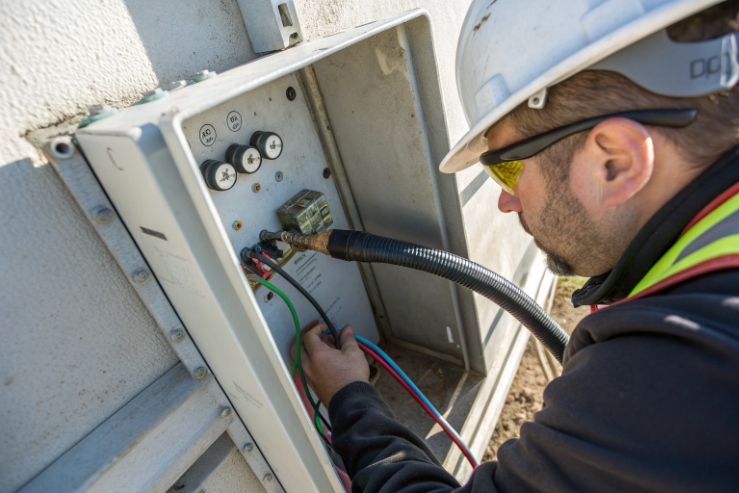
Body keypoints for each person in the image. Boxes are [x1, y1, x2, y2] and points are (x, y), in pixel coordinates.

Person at [294, 1, 739, 491]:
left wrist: (350, 398)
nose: (505, 201)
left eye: (504, 167)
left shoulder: (660, 377)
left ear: (615, 162)